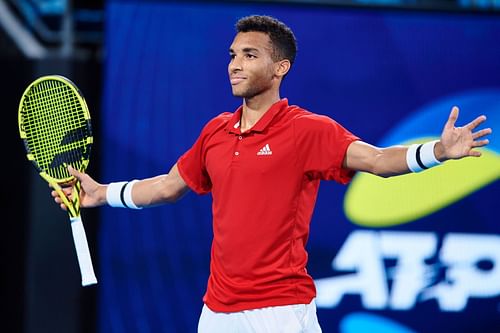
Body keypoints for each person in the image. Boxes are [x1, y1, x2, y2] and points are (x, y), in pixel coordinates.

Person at [52, 15, 491, 333]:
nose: (234, 64)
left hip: (280, 313)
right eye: (232, 55)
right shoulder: (216, 132)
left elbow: (377, 162)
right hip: (217, 313)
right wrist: (101, 193)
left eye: (249, 55)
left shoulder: (307, 130)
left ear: (280, 68)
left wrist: (437, 151)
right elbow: (169, 187)